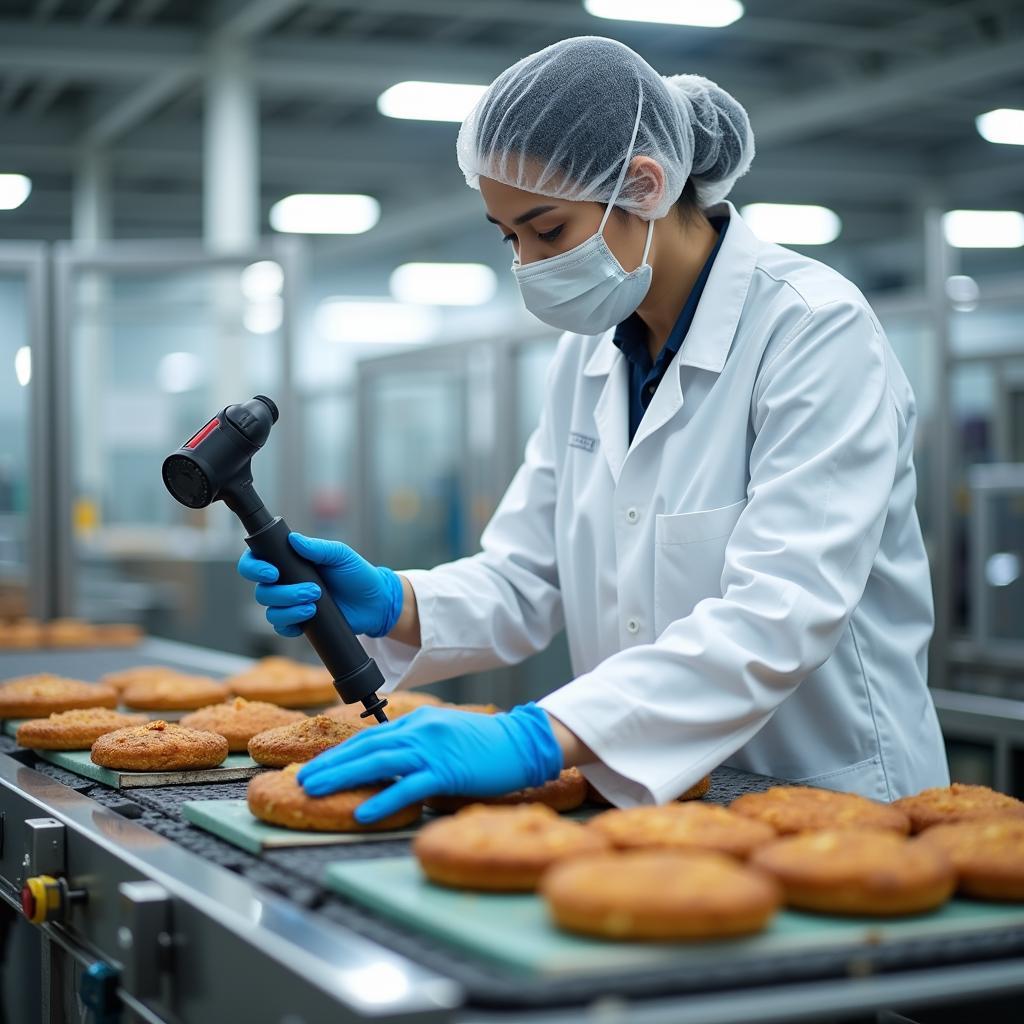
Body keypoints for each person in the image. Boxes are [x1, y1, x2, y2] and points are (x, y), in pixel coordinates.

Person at [239, 36, 948, 823]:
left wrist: (544, 733)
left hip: (830, 796)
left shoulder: (813, 329)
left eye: (547, 230)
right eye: (509, 237)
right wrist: (395, 603)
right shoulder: (588, 354)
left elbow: (781, 608)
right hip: (662, 806)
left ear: (645, 185)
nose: (528, 265)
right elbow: (526, 576)